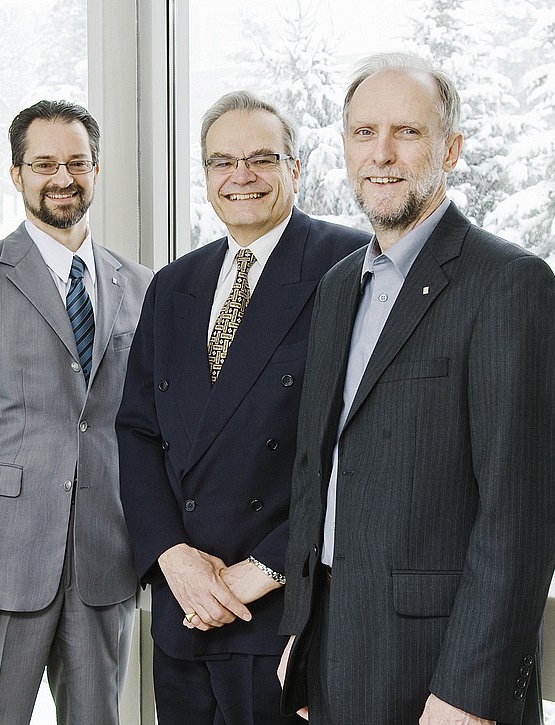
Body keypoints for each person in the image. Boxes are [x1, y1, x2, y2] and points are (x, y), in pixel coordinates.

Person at [277, 53, 555, 725]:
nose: (381, 153)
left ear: (452, 149)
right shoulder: (336, 288)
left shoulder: (509, 284)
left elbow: (520, 517)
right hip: (331, 661)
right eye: (363, 132)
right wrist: (300, 632)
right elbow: (314, 472)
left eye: (407, 132)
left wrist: (469, 694)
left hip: (442, 679)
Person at [116, 90, 367, 724]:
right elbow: (139, 432)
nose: (241, 177)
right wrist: (173, 557)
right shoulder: (175, 283)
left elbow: (361, 448)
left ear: (296, 168)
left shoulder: (351, 266)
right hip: (186, 607)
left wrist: (263, 569)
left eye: (261, 158)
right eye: (222, 161)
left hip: (288, 609)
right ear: (204, 174)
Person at [0, 99, 152, 725]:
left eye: (76, 162)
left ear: (96, 170)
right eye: (43, 163)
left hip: (105, 559)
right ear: (16, 174)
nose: (62, 177)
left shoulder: (140, 284)